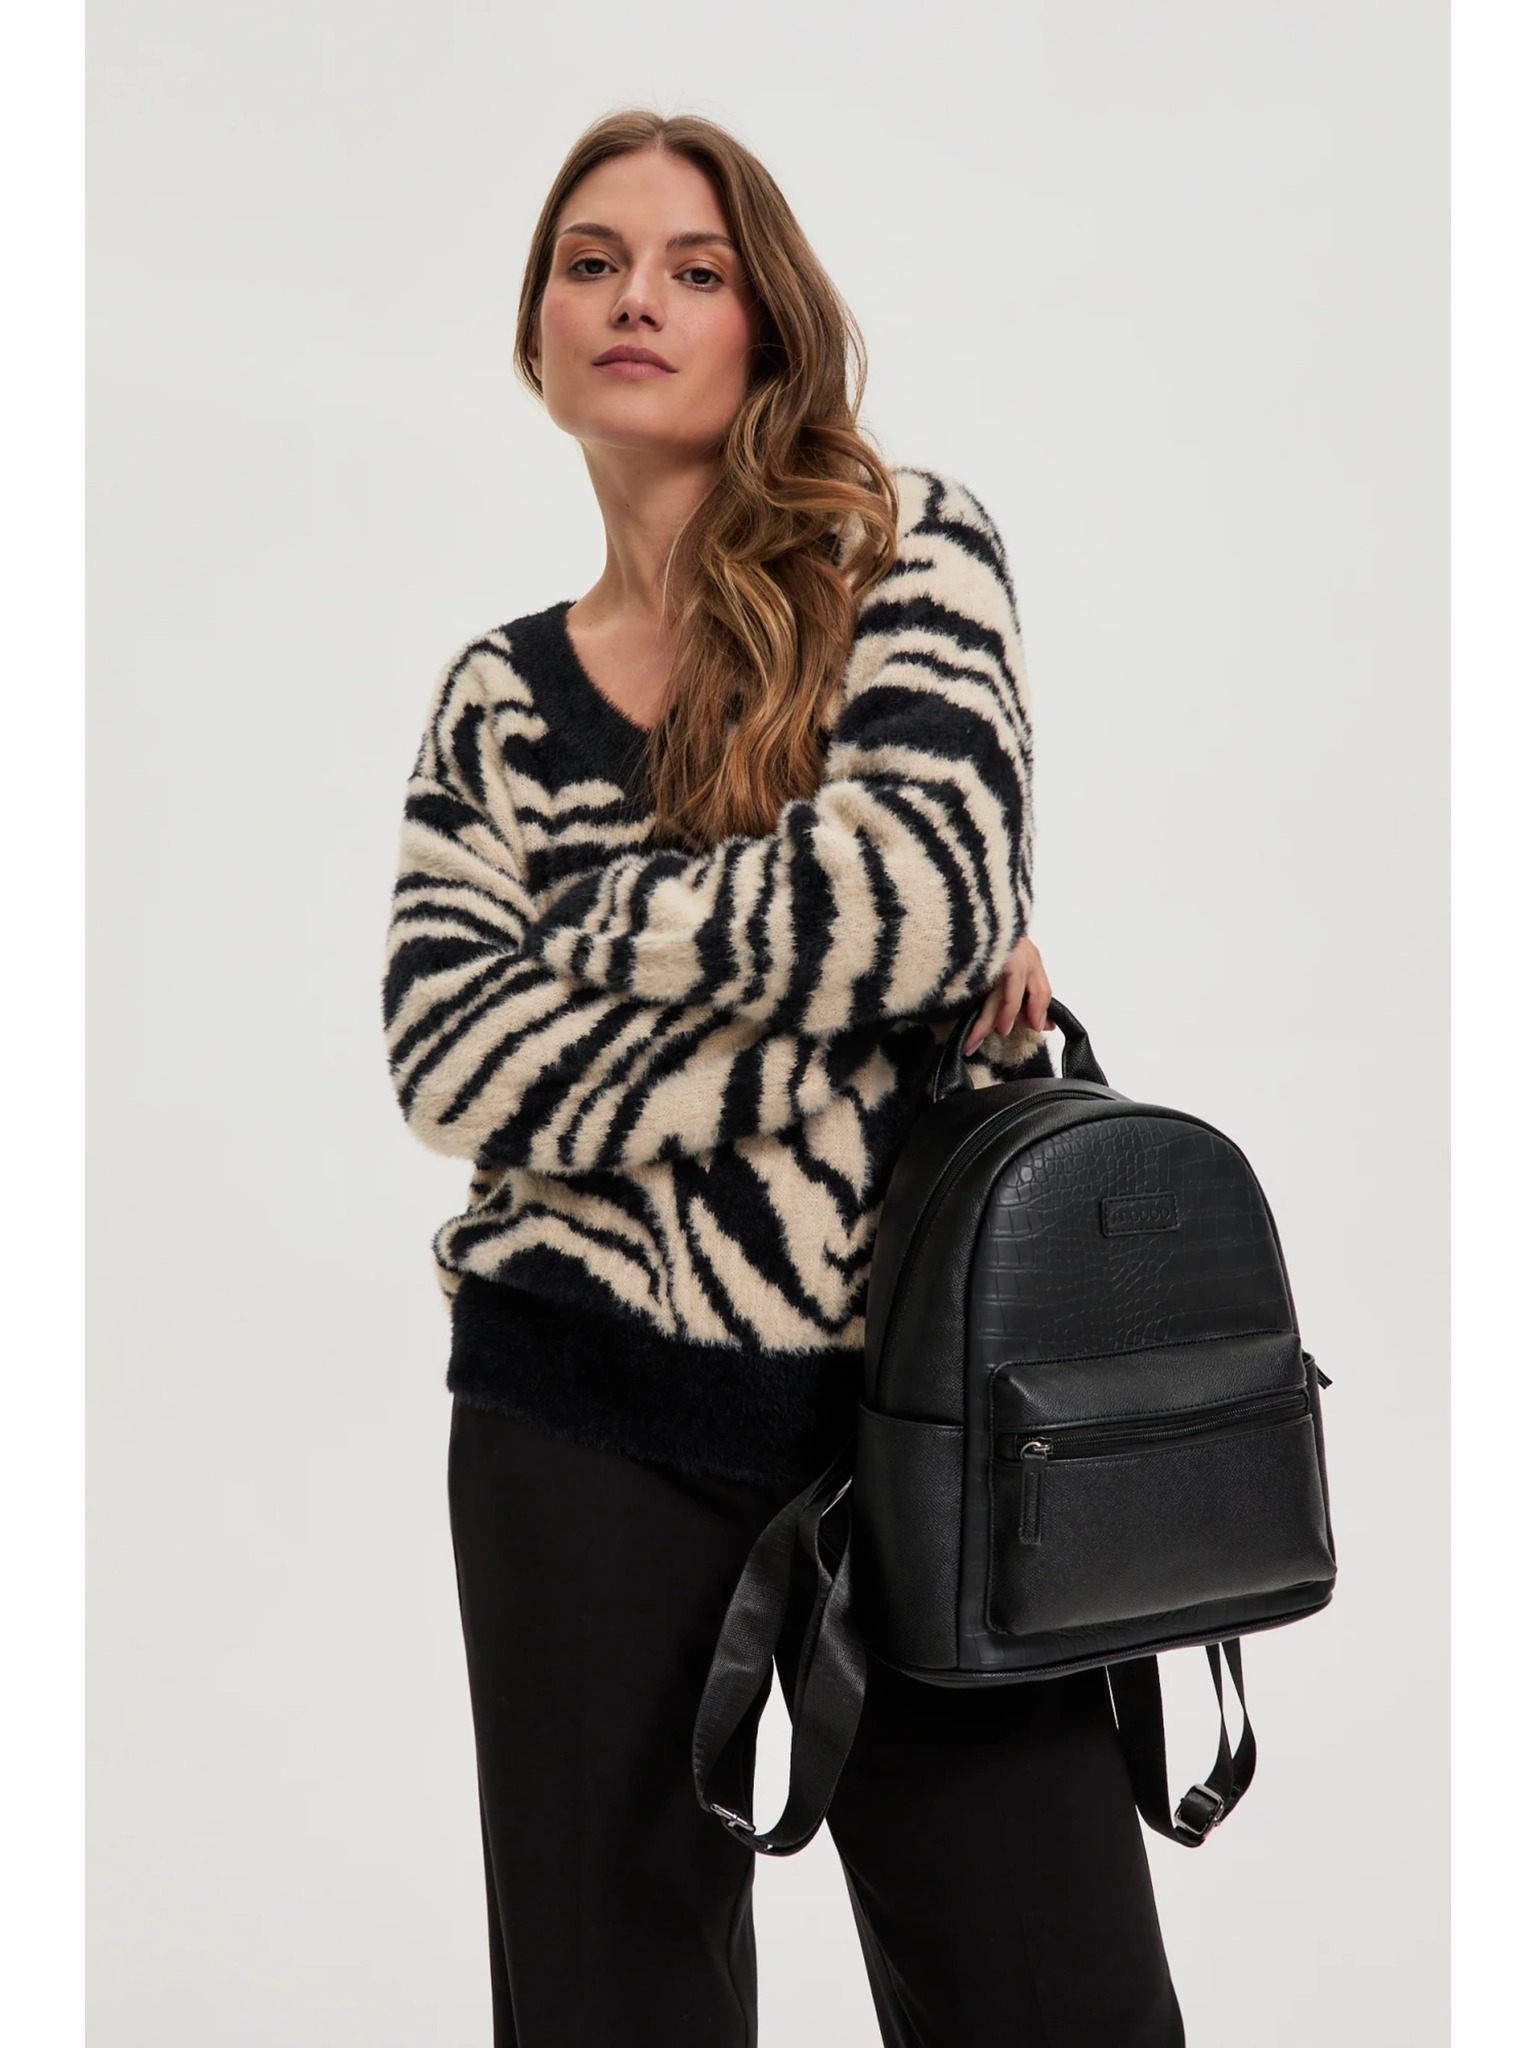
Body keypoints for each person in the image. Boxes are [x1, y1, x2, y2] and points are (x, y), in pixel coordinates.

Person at [381, 107, 1185, 2048]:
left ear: (770, 321)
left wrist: (592, 931)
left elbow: (920, 896)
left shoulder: (911, 554)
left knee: (1057, 1994)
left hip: (929, 1417)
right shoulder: (497, 700)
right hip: (575, 1421)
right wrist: (851, 993)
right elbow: (450, 1056)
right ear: (535, 329)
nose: (634, 298)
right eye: (589, 263)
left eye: (693, 265)